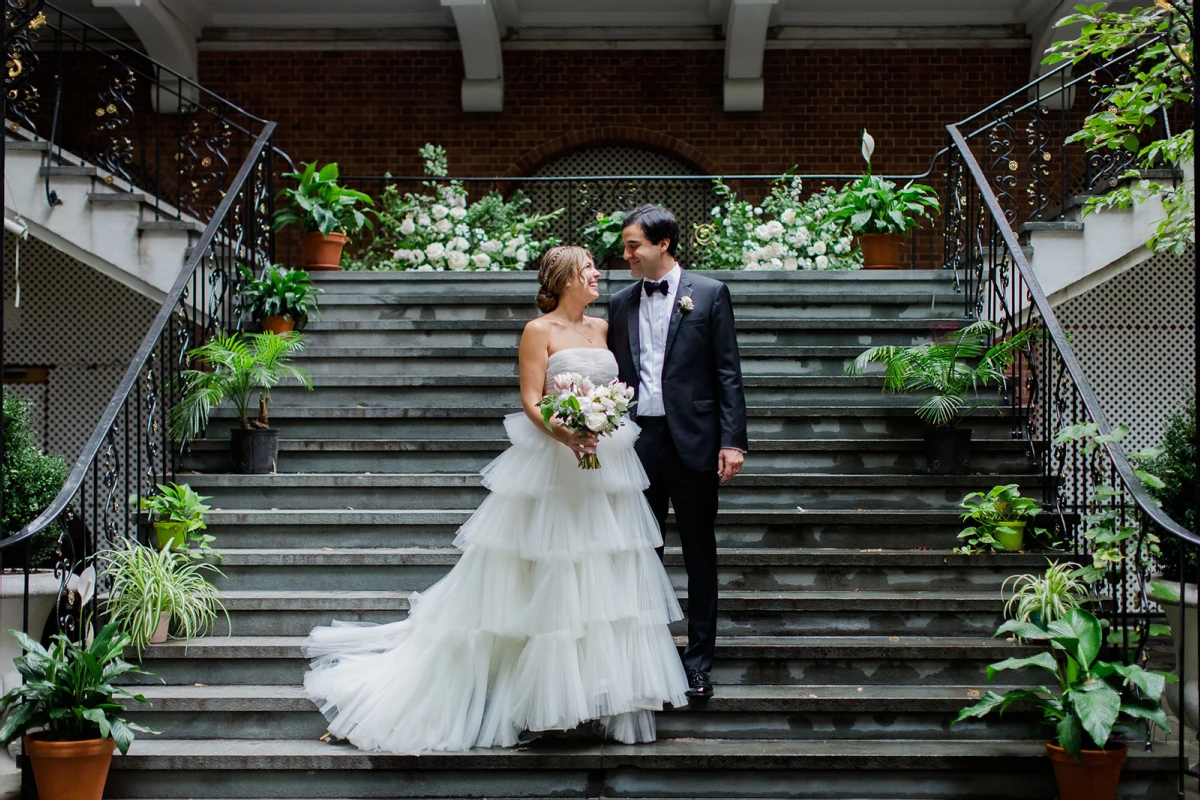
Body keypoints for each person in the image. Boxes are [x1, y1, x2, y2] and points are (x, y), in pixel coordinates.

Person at [302, 245, 688, 753]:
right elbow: (530, 400)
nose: (597, 274)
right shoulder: (538, 331)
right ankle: (548, 708)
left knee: (604, 575)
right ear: (565, 277)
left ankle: (598, 695)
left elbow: (619, 386)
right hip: (556, 462)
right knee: (551, 573)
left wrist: (602, 419)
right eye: (588, 268)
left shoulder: (603, 327)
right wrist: (567, 432)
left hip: (606, 464)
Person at [606, 205, 748, 700]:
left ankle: (698, 664)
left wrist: (732, 441)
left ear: (662, 244)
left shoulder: (708, 294)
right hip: (637, 441)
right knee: (643, 554)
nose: (625, 255)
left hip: (695, 442)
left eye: (632, 246)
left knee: (698, 552)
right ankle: (649, 660)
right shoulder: (620, 301)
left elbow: (727, 371)